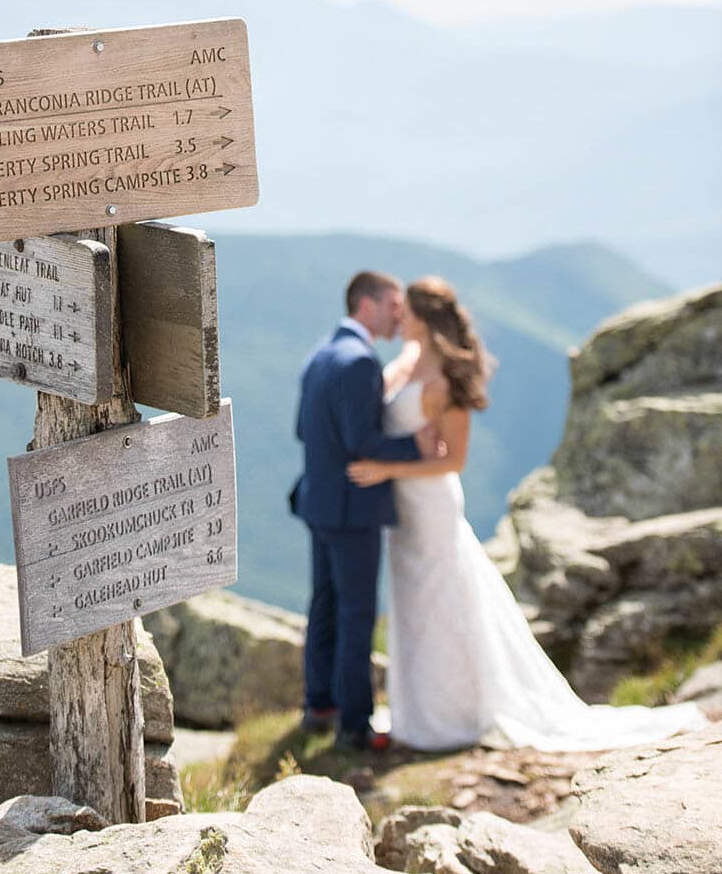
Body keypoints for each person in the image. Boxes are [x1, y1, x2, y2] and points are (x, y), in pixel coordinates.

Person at [346, 276, 708, 751]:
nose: (399, 318)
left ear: (424, 320)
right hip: (403, 506)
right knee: (413, 604)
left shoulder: (445, 384)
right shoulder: (408, 362)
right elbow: (383, 401)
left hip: (430, 503)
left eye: (407, 312)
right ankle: (420, 713)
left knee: (441, 603)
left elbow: (452, 460)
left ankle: (454, 714)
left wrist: (383, 465)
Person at [290, 271, 440, 752]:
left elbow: (302, 429)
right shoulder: (359, 362)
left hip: (319, 501)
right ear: (367, 304)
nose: (400, 314)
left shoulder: (320, 353)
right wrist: (416, 447)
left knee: (325, 605)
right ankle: (355, 726)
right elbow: (362, 443)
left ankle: (320, 705)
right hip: (352, 508)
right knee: (357, 615)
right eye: (393, 305)